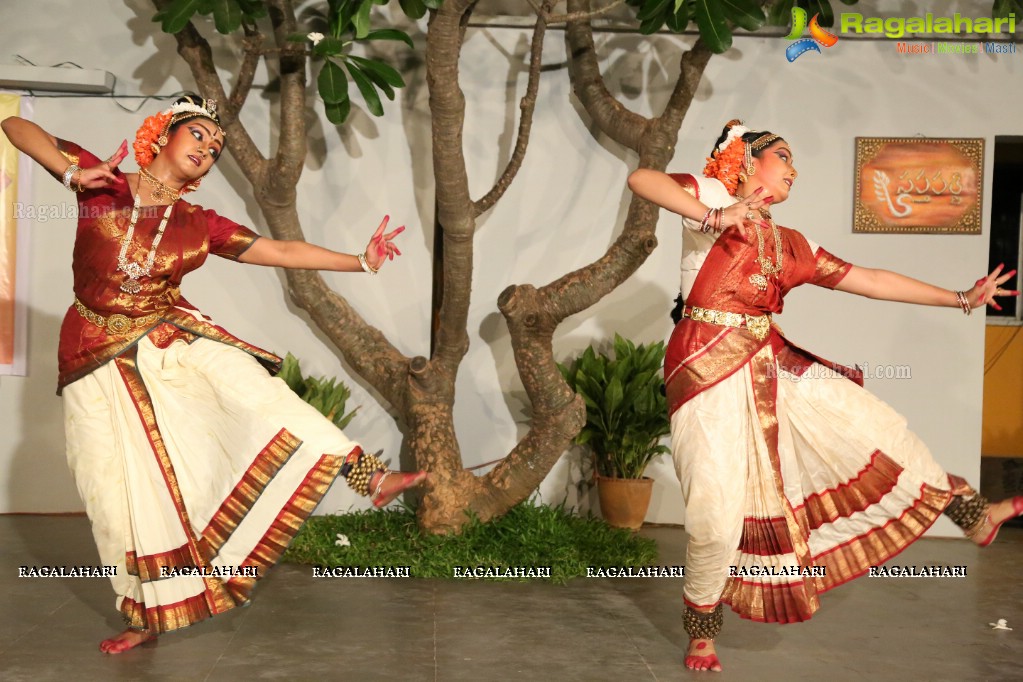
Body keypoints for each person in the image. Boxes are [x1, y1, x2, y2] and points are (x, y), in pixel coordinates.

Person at [1, 94, 427, 654]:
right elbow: (13, 124)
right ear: (164, 134)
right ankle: (146, 610)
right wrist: (71, 171)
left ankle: (363, 472)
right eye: (199, 134)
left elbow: (278, 248)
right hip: (90, 352)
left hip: (167, 339)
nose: (208, 148)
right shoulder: (103, 183)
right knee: (112, 491)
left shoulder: (200, 224)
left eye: (216, 146)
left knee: (253, 391)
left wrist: (360, 260)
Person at [627, 119, 1023, 673]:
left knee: (877, 427)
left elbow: (874, 279)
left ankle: (972, 513)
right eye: (783, 157)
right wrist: (715, 216)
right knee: (716, 516)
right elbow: (643, 179)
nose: (793, 169)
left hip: (772, 363)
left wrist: (961, 298)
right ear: (746, 161)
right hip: (705, 367)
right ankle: (701, 627)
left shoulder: (793, 245)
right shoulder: (713, 198)